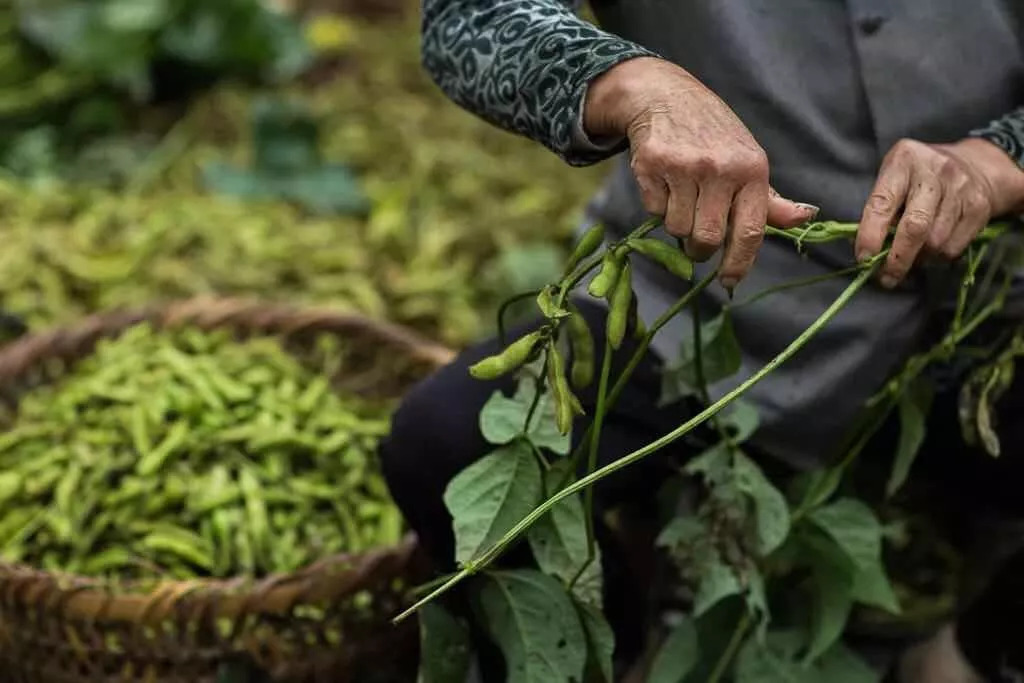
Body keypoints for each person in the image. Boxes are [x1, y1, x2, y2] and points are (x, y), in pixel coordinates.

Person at [379, 2, 1024, 681]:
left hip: (991, 305)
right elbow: (468, 16)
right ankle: (609, 651)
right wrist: (630, 83)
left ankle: (972, 653)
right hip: (697, 290)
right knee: (441, 448)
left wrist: (998, 161)